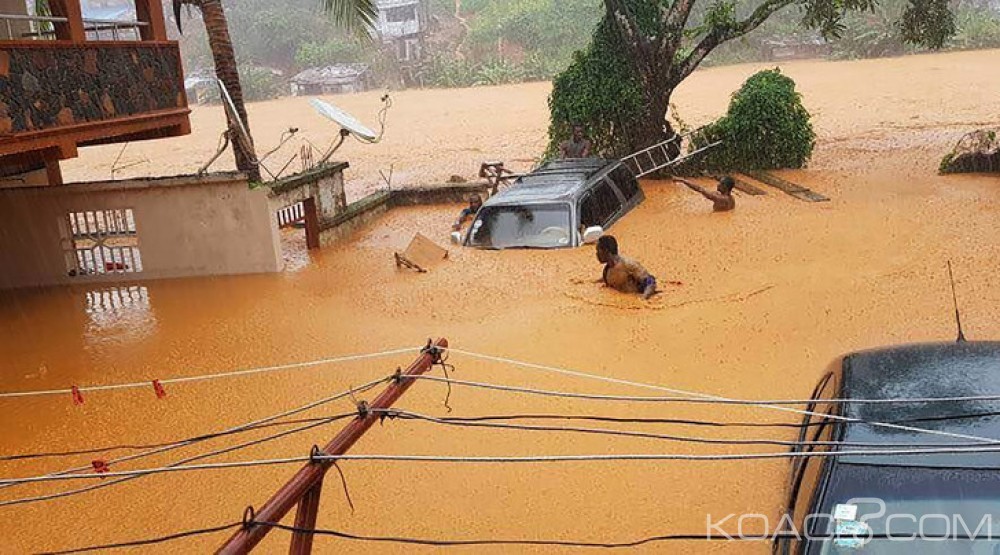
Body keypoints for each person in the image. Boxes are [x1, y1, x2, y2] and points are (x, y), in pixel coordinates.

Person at [596, 235, 657, 300]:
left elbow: (650, 281)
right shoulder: (607, 271)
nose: (596, 254)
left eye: (598, 250)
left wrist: (644, 298)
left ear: (606, 251)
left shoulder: (629, 265)